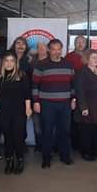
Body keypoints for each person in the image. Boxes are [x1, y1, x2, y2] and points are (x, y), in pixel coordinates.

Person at [32, 38, 76, 168]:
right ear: (49, 50)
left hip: (65, 104)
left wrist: (73, 99)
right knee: (47, 131)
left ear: (61, 50)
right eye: (54, 49)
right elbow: (34, 85)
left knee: (65, 131)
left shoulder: (68, 65)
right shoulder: (41, 65)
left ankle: (65, 156)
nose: (56, 52)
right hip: (47, 104)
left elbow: (73, 84)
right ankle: (46, 158)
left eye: (59, 49)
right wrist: (36, 102)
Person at [0, 51, 32, 175]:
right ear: (3, 62)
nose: (9, 63)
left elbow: (27, 94)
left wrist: (28, 108)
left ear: (16, 62)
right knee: (8, 138)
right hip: (3, 112)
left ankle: (20, 160)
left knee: (18, 137)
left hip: (19, 112)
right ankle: (9, 161)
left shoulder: (22, 76)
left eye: (12, 61)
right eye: (6, 61)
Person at [74, 50, 97, 161]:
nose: (95, 60)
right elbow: (80, 91)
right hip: (88, 106)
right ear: (87, 59)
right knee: (87, 130)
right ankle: (86, 152)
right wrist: (83, 107)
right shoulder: (81, 72)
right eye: (93, 57)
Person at [29, 41, 49, 152]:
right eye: (39, 47)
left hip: (48, 97)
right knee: (36, 123)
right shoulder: (32, 62)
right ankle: (39, 144)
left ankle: (48, 145)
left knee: (48, 123)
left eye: (43, 47)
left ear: (47, 49)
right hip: (35, 97)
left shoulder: (51, 62)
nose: (41, 49)